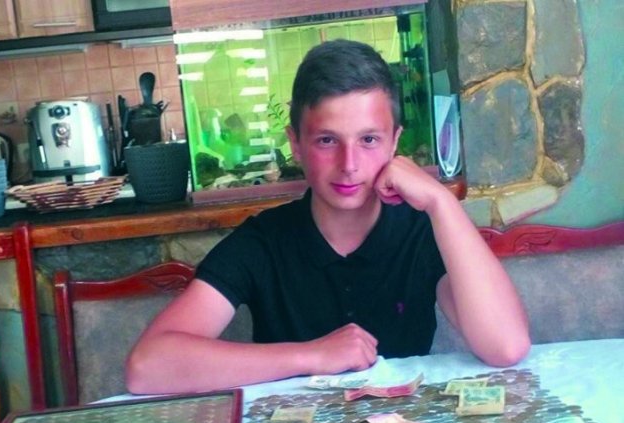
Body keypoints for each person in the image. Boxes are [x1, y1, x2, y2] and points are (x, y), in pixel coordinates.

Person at [126, 39, 530, 395]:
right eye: (326, 140)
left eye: (368, 139)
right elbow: (147, 367)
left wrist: (441, 202)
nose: (349, 164)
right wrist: (311, 355)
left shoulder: (422, 232)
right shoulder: (262, 242)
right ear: (296, 144)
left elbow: (507, 346)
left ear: (395, 142)